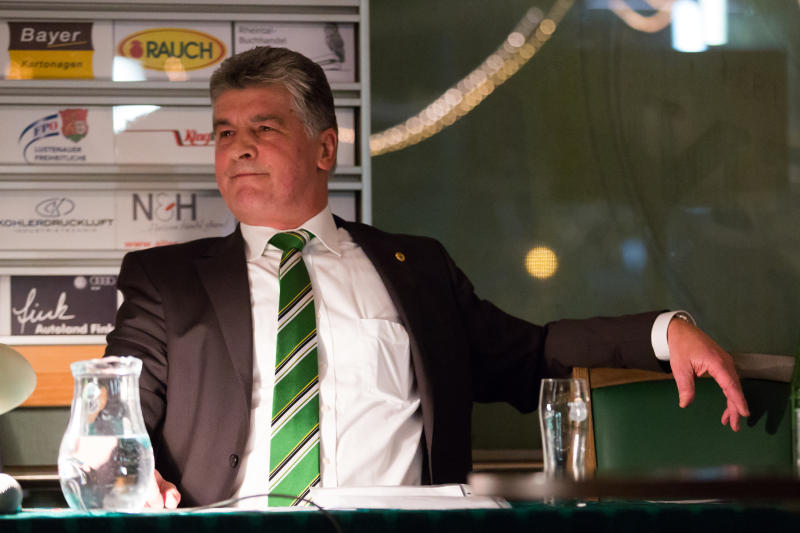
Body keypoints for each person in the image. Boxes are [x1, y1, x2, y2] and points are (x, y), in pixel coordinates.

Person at [104, 46, 749, 509]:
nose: (238, 147)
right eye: (224, 132)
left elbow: (530, 357)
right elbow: (117, 414)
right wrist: (127, 472)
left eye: (263, 128)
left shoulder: (417, 269)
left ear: (325, 148)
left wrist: (664, 332)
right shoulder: (166, 281)